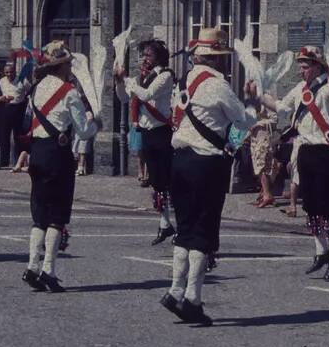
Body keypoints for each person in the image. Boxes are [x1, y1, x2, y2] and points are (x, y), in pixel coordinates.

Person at [158, 27, 259, 325]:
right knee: (203, 233)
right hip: (206, 163)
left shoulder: (185, 80)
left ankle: (175, 290)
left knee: (185, 230)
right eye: (223, 57)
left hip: (179, 159)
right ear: (215, 59)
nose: (226, 63)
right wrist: (252, 100)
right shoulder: (218, 86)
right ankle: (192, 300)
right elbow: (243, 120)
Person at [262, 45, 329, 280]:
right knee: (310, 204)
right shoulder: (300, 89)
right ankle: (320, 251)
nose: (301, 71)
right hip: (304, 150)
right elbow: (282, 107)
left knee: (326, 204)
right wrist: (257, 95)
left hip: (325, 151)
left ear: (317, 67)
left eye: (304, 67)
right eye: (300, 67)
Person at [22, 41, 101, 293]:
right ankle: (48, 270)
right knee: (57, 216)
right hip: (58, 154)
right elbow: (84, 131)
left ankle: (32, 267)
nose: (71, 67)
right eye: (68, 64)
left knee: (39, 215)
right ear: (62, 66)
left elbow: (27, 119)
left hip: (37, 152)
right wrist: (96, 120)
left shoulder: (36, 88)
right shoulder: (69, 92)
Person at [115, 39, 177, 245]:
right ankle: (165, 223)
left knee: (167, 181)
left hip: (162, 133)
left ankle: (181, 225)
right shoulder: (142, 77)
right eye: (143, 55)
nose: (144, 58)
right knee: (157, 182)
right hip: (148, 133)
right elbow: (124, 98)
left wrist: (129, 80)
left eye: (148, 55)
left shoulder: (166, 76)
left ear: (158, 57)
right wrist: (118, 81)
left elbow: (147, 94)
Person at [0, 62, 31, 169]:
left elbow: (29, 91)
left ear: (15, 72)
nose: (9, 74)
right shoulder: (2, 81)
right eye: (7, 72)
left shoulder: (22, 80)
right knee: (4, 135)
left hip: (19, 108)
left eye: (11, 72)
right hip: (6, 108)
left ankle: (18, 161)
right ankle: (4, 161)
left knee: (18, 136)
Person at [248, 106, 280, 208]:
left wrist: (258, 124)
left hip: (264, 138)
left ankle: (267, 195)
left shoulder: (265, 99)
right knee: (258, 166)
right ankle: (263, 194)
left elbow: (274, 120)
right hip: (255, 138)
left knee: (263, 165)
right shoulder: (249, 101)